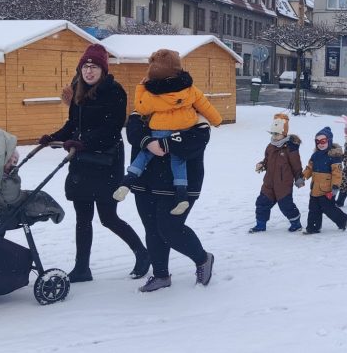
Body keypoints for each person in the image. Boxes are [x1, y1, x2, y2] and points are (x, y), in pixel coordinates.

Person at [38, 44, 148, 283]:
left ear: (103, 70)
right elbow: (73, 125)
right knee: (83, 218)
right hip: (82, 161)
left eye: (94, 67)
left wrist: (82, 142)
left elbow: (111, 129)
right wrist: (53, 137)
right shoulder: (78, 89)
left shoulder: (114, 91)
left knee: (108, 217)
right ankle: (82, 268)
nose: (89, 71)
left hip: (106, 161)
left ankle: (142, 253)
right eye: (85, 67)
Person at [114, 49, 223, 216]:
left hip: (158, 130)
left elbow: (141, 108)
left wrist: (140, 88)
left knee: (144, 156)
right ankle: (181, 194)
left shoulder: (152, 94)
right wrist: (217, 120)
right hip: (181, 130)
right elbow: (205, 105)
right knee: (178, 162)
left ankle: (127, 182)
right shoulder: (190, 90)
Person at [124, 110, 214, 292]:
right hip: (145, 179)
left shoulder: (192, 111)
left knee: (170, 229)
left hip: (180, 184)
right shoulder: (144, 107)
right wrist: (148, 142)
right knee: (151, 229)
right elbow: (133, 130)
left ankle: (203, 259)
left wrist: (164, 143)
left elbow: (197, 140)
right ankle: (161, 275)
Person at [250, 113, 304, 234]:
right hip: (269, 183)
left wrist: (299, 178)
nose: (274, 137)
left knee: (286, 206)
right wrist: (262, 164)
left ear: (284, 134)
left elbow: (296, 165)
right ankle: (260, 225)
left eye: (277, 134)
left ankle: (296, 223)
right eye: (272, 133)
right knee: (262, 203)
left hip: (283, 184)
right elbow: (267, 160)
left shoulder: (290, 148)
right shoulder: (270, 147)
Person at [302, 127, 347, 234]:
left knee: (328, 209)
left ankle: (342, 219)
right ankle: (313, 227)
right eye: (317, 142)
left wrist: (335, 187)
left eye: (323, 141)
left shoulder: (334, 157)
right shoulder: (315, 155)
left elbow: (337, 174)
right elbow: (309, 168)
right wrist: (302, 177)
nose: (320, 144)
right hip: (315, 188)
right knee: (313, 209)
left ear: (329, 141)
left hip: (327, 190)